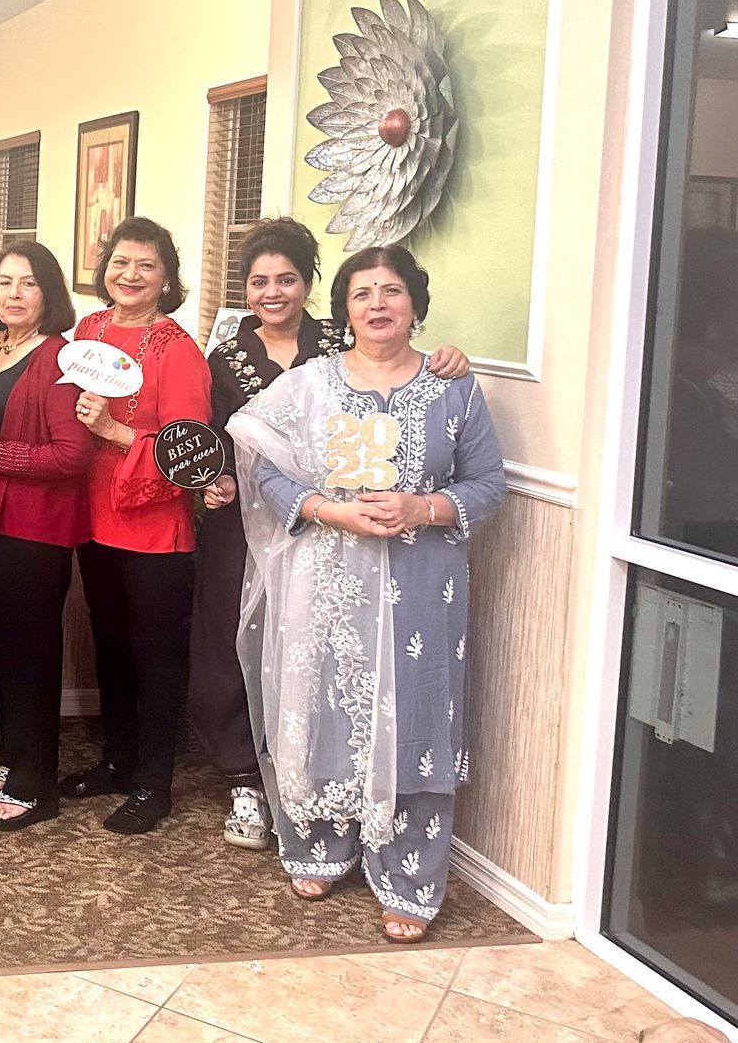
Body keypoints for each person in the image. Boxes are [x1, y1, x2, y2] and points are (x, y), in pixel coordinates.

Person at [231, 244, 505, 942]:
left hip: (422, 585)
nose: (377, 305)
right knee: (326, 703)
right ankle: (320, 843)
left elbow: (486, 483)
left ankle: (410, 876)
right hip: (327, 578)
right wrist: (330, 510)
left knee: (415, 714)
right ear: (344, 309)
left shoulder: (453, 388)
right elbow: (265, 466)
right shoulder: (309, 385)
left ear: (415, 303)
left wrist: (424, 508)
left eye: (392, 291)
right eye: (362, 294)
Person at [195, 218, 468, 851]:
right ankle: (247, 777)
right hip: (250, 519)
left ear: (309, 284)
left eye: (286, 279)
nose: (272, 292)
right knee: (236, 638)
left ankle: (339, 790)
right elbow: (211, 438)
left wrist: (451, 357)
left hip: (348, 538)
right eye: (259, 281)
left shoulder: (340, 339)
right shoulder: (225, 356)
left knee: (328, 657)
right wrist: (217, 482)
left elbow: (403, 377)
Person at [58, 217, 212, 836]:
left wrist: (115, 431)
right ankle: (117, 762)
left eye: (146, 265)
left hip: (154, 528)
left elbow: (190, 455)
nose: (130, 275)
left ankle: (154, 784)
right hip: (94, 518)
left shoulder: (178, 349)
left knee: (156, 657)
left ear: (167, 279)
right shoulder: (89, 331)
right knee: (111, 647)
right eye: (120, 262)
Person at [0, 243, 94, 831]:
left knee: (30, 654)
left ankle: (36, 787)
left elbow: (72, 454)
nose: (13, 293)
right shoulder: (2, 350)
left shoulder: (57, 358)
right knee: (4, 647)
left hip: (35, 530)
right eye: (5, 282)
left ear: (49, 293)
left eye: (28, 283)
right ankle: (16, 759)